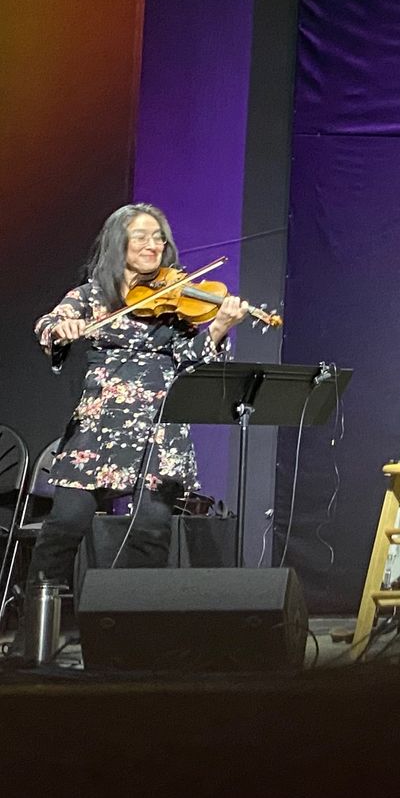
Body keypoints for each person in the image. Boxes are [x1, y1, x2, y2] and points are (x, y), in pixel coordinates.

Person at [31, 204, 246, 582]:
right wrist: (60, 329)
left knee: (151, 532)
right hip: (99, 426)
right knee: (65, 524)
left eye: (159, 238)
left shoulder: (175, 298)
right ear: (119, 243)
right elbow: (47, 325)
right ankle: (36, 615)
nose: (153, 245)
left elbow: (189, 358)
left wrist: (218, 329)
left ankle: (134, 618)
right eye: (141, 237)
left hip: (160, 426)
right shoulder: (92, 295)